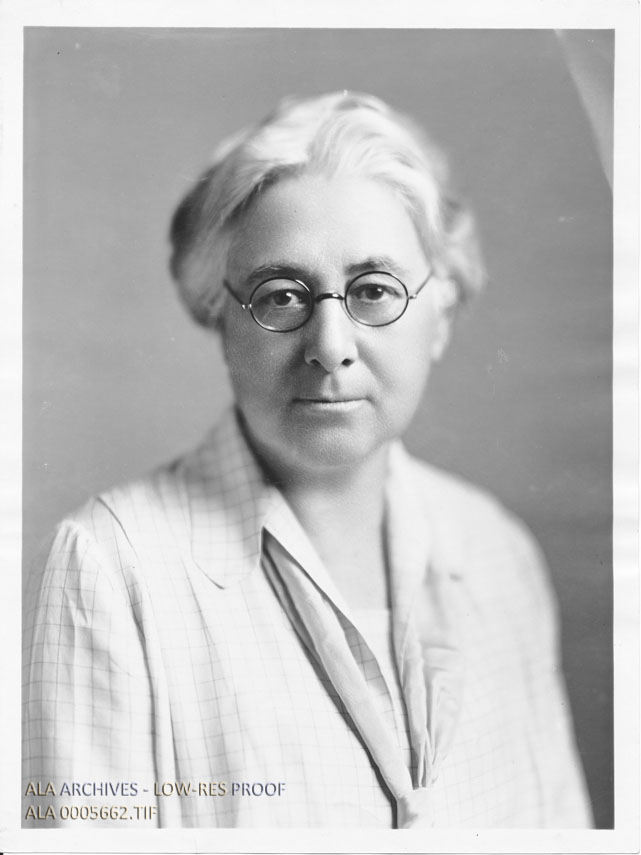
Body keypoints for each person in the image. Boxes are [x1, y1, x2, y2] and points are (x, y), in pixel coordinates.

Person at [22, 91, 593, 829]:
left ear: (441, 314)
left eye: (375, 290)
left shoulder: (499, 551)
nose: (329, 345)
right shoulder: (112, 567)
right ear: (219, 315)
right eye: (281, 296)